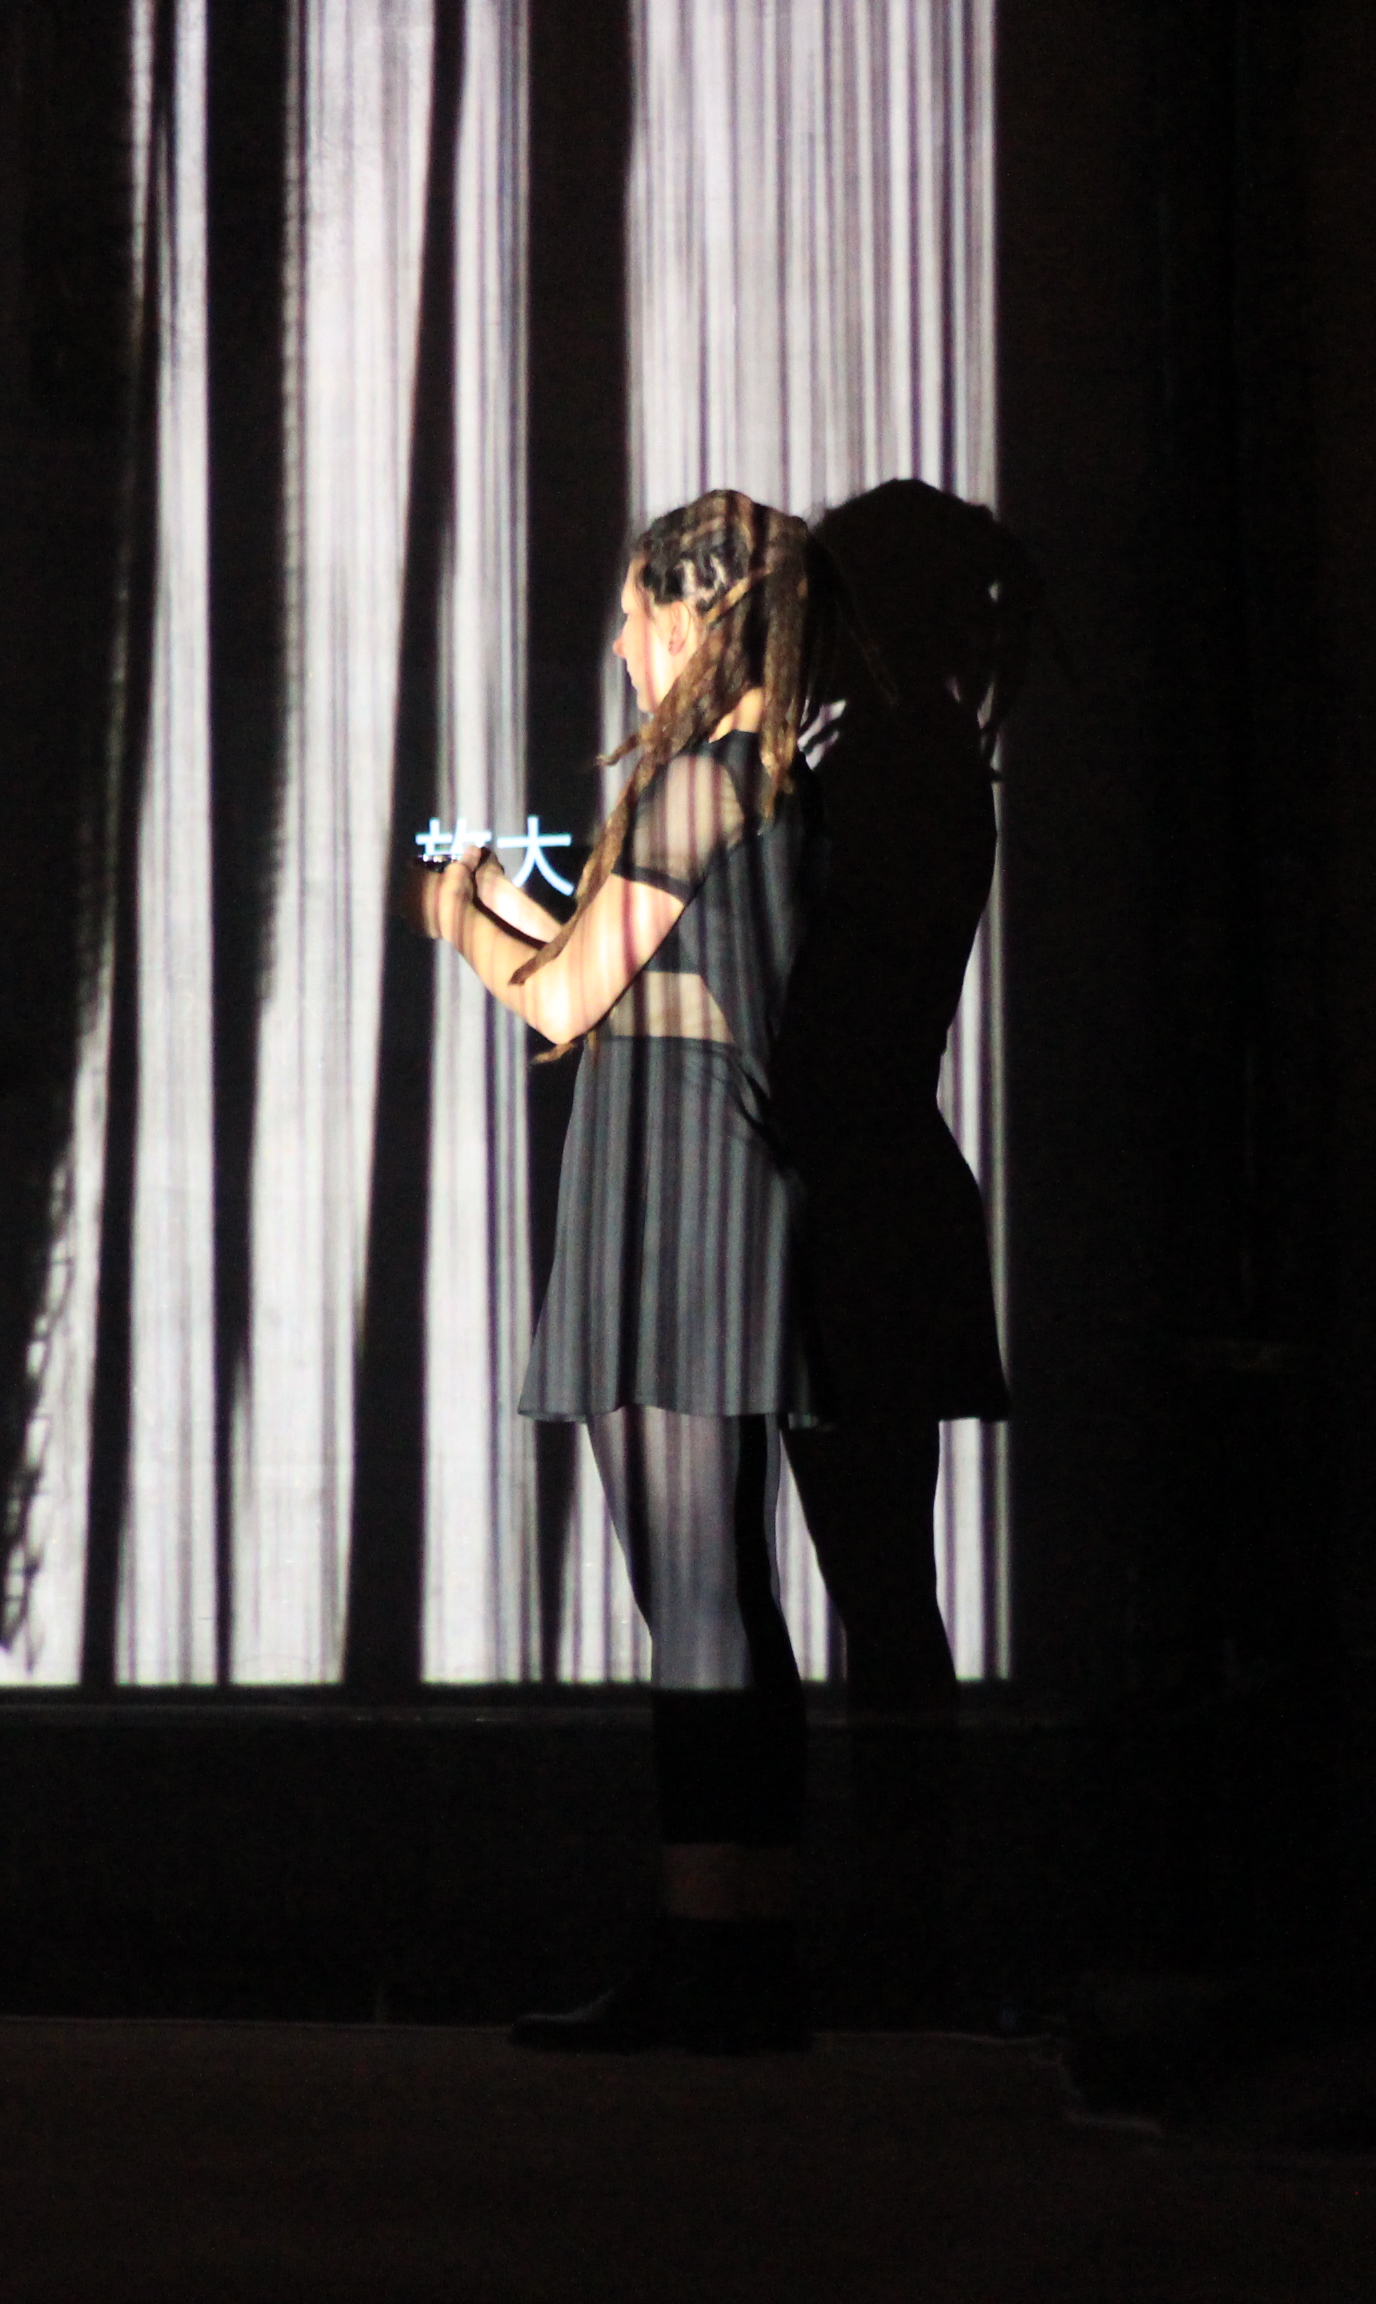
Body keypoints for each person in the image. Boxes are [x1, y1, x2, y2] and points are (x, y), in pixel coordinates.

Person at [418, 489, 824, 2053]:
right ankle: (747, 1948)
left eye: (639, 617)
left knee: (700, 1594)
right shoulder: (757, 785)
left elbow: (563, 1000)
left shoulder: (702, 783)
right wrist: (513, 910)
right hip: (700, 1171)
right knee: (717, 1589)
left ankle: (710, 1957)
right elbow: (642, 973)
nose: (618, 648)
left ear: (695, 620)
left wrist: (457, 922)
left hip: (678, 1188)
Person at [769, 479, 1033, 2025]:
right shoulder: (921, 761)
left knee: (870, 1583)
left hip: (849, 1199)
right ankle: (899, 1928)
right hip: (876, 1191)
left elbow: (821, 1010)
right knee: (884, 1585)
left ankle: (893, 1935)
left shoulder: (887, 769)